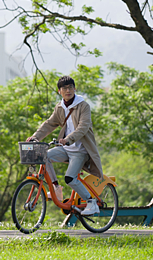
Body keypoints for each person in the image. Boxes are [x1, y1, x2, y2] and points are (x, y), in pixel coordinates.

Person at [26, 75, 103, 216]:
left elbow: (83, 127)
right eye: (64, 88)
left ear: (74, 89)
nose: (68, 91)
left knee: (70, 178)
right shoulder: (60, 107)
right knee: (44, 156)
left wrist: (68, 139)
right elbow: (49, 124)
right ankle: (56, 188)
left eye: (70, 87)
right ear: (59, 91)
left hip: (80, 150)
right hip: (66, 148)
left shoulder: (83, 106)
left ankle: (91, 203)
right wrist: (35, 137)